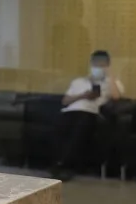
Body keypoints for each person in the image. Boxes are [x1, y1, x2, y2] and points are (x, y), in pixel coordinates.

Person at [53, 49, 124, 179]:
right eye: (95, 64)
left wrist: (110, 75)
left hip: (90, 113)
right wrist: (83, 95)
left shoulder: (112, 83)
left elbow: (116, 96)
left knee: (80, 128)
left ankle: (63, 165)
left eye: (102, 65)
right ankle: (60, 163)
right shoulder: (79, 81)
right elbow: (65, 101)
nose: (98, 67)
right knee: (61, 127)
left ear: (107, 66)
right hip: (70, 111)